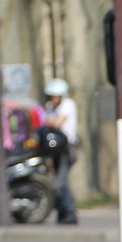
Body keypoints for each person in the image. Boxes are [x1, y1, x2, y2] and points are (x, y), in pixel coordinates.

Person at [41, 78, 80, 224]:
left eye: (56, 96)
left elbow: (57, 122)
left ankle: (70, 212)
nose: (53, 99)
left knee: (60, 184)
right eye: (51, 96)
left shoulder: (68, 104)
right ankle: (63, 213)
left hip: (66, 149)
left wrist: (50, 120)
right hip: (54, 149)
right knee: (58, 182)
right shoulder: (51, 108)